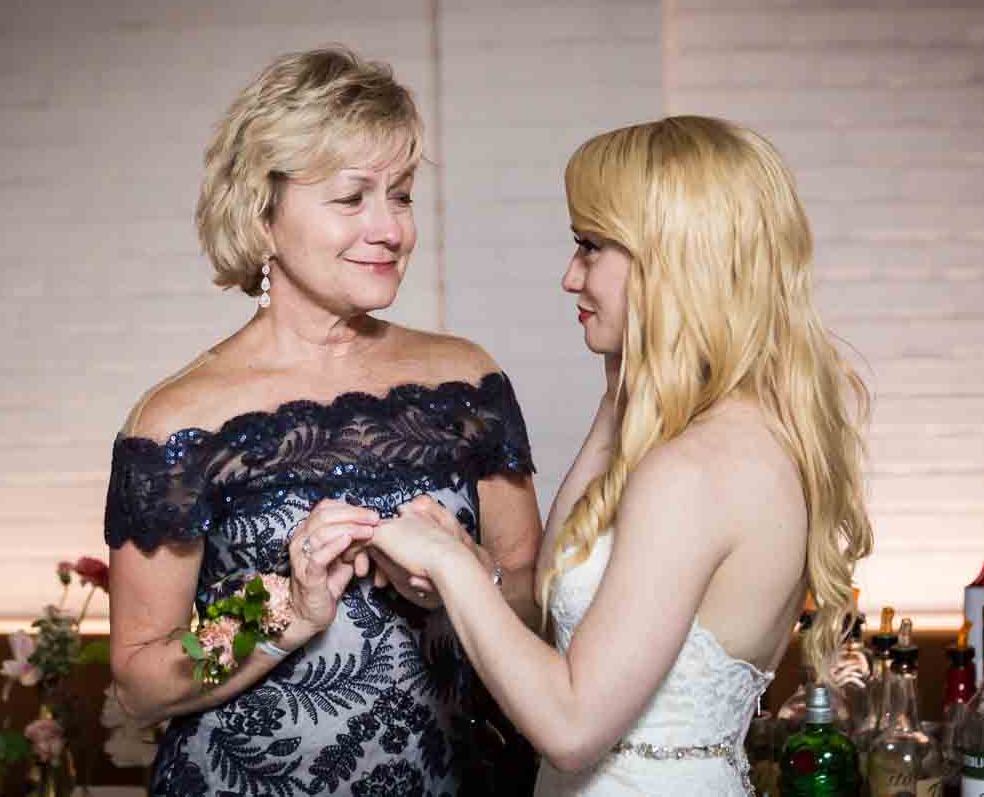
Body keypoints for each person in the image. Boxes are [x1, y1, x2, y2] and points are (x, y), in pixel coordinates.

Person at [367, 115, 874, 795]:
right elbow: (557, 614)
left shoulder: (694, 471)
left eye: (591, 246)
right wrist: (473, 578)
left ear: (673, 261)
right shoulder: (703, 433)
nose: (569, 277)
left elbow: (572, 724)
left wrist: (451, 563)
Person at [103, 46, 542, 797]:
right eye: (352, 199)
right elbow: (141, 678)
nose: (390, 229)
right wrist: (279, 611)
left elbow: (530, 595)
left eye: (400, 195)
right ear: (261, 215)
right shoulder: (180, 419)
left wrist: (457, 582)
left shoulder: (467, 381)